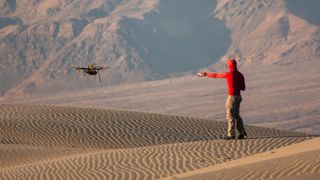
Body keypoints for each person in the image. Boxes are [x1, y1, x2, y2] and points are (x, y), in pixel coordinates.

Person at [197, 59, 247, 140]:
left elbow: (216, 75)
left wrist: (204, 74)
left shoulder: (229, 74)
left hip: (232, 97)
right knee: (237, 115)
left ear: (230, 66)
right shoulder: (240, 75)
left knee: (230, 116)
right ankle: (242, 133)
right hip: (238, 97)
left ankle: (231, 135)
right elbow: (243, 88)